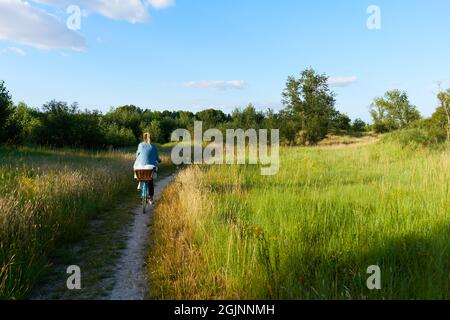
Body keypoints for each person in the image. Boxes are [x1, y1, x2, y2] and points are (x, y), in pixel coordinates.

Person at [134, 132, 161, 202]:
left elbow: (137, 155)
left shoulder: (140, 145)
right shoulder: (154, 146)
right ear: (151, 138)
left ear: (143, 138)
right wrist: (159, 160)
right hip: (150, 167)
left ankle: (140, 181)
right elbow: (157, 158)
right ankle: (151, 198)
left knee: (137, 167)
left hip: (140, 167)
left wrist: (138, 158)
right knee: (150, 180)